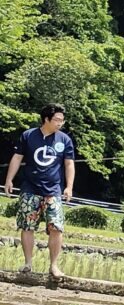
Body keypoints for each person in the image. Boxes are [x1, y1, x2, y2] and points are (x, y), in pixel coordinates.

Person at [4, 104, 75, 279]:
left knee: (56, 227)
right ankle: (28, 263)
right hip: (30, 189)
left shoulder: (64, 139)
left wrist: (69, 186)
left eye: (62, 120)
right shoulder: (28, 136)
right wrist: (9, 179)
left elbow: (69, 163)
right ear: (46, 119)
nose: (60, 123)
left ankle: (54, 266)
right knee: (27, 226)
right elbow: (17, 157)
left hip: (53, 190)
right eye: (57, 119)